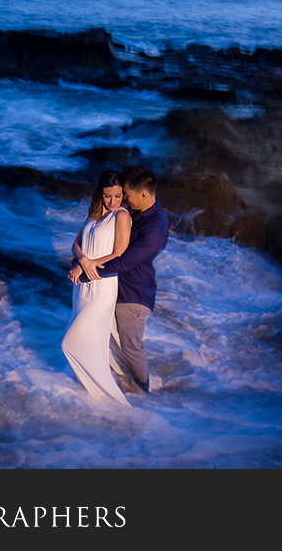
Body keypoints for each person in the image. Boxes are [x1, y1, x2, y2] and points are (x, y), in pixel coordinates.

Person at [89, 165, 168, 394]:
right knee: (113, 339)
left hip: (134, 295)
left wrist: (87, 272)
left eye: (127, 195)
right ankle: (121, 381)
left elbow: (124, 261)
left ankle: (145, 390)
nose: (125, 199)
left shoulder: (154, 229)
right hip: (118, 287)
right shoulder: (140, 211)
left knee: (131, 345)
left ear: (143, 194)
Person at [61, 170, 133, 406]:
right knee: (93, 340)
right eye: (107, 196)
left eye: (118, 196)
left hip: (102, 285)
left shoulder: (121, 216)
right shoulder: (93, 213)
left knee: (70, 341)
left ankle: (109, 396)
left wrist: (89, 264)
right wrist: (83, 261)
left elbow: (119, 253)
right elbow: (76, 243)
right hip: (83, 286)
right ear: (100, 194)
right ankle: (87, 395)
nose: (113, 201)